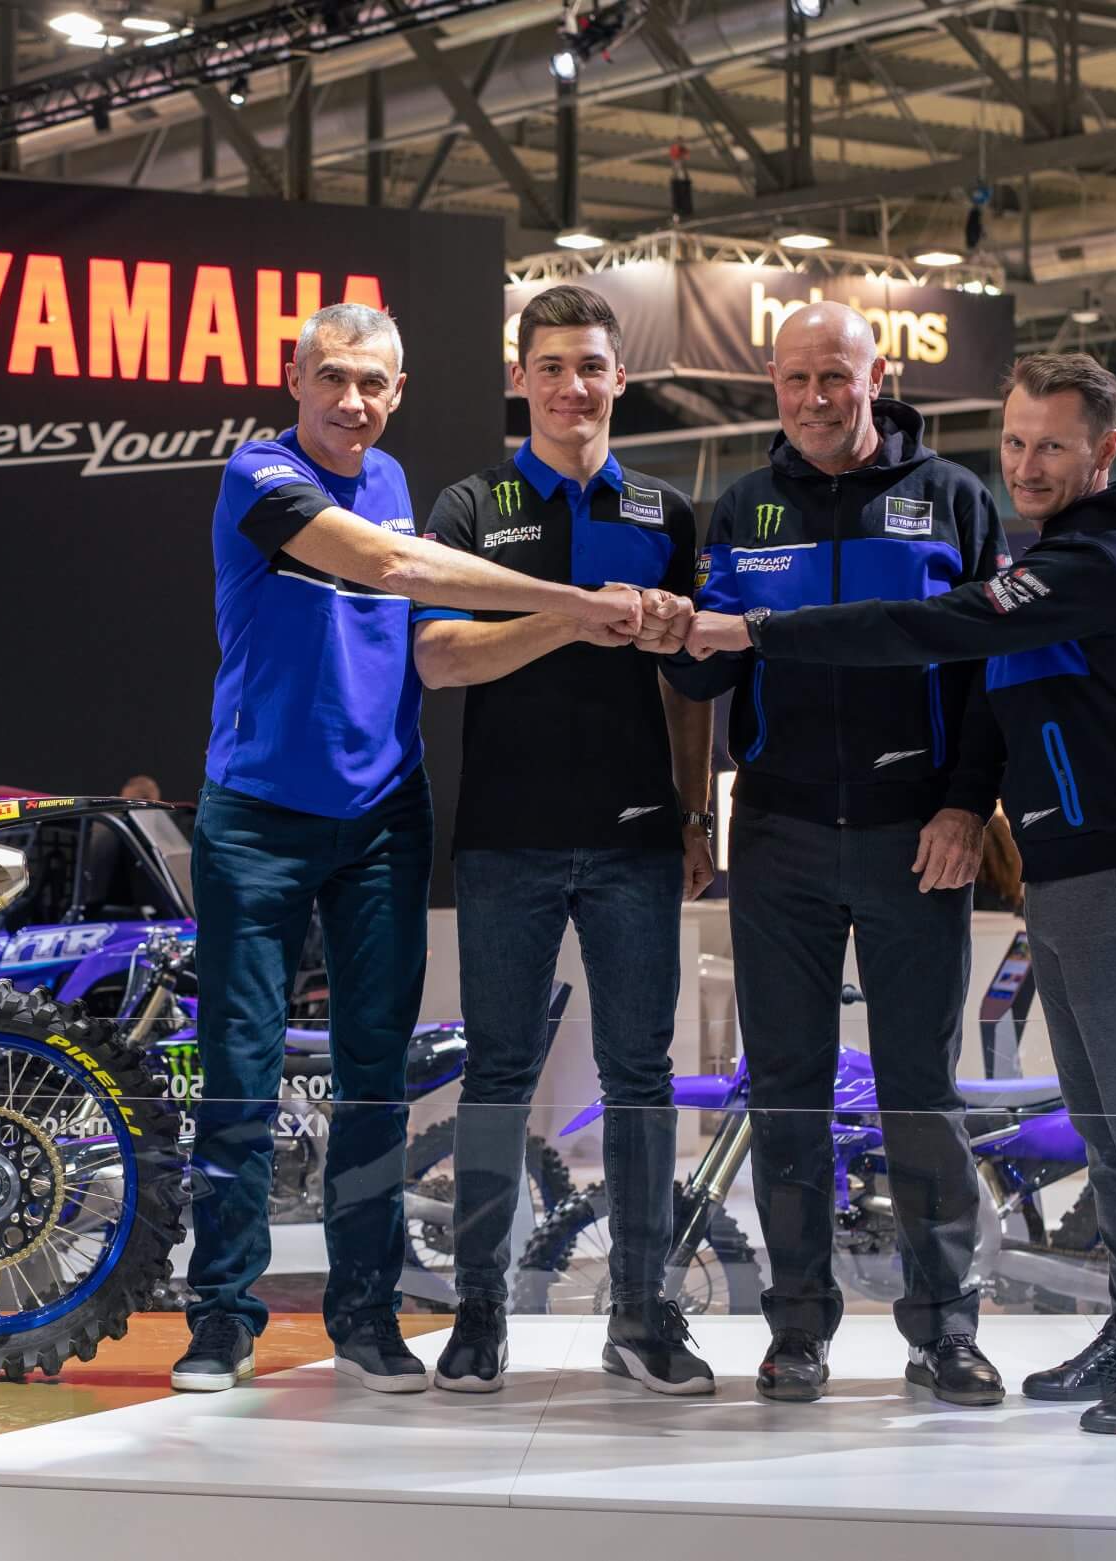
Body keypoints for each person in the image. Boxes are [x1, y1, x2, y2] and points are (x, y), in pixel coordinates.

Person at [687, 351, 1116, 1434]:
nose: (1026, 465)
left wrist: (762, 630)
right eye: (1015, 441)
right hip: (1074, 875)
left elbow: (930, 629)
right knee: (1108, 1126)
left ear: (1105, 450)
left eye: (1053, 447)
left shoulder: (1100, 560)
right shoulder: (1071, 549)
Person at [171, 301, 663, 1397]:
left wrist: (569, 619)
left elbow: (431, 649)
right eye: (332, 377)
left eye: (373, 384)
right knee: (241, 1071)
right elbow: (392, 566)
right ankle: (219, 1321)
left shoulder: (392, 476)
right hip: (256, 817)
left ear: (398, 392)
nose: (352, 401)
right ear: (293, 379)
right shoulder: (258, 475)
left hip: (386, 817)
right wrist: (574, 601)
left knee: (374, 1080)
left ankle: (365, 1316)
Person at [661, 301, 1009, 1409]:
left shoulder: (951, 499)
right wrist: (676, 633)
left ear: (877, 376)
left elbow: (992, 673)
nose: (815, 399)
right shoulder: (742, 507)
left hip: (919, 837)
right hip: (780, 836)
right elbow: (708, 675)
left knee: (921, 1092)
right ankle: (797, 1329)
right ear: (772, 384)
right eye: (795, 379)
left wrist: (966, 807)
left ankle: (945, 1330)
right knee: (787, 1094)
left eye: (835, 377)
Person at [410, 284, 713, 1396]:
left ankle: (640, 1312)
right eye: (551, 366)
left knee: (641, 1076)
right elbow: (440, 657)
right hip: (506, 837)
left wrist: (694, 811)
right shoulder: (469, 505)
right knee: (498, 1073)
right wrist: (575, 614)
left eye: (590, 366)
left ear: (618, 378)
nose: (571, 386)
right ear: (519, 378)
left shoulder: (668, 515)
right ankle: (479, 1311)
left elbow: (690, 686)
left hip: (638, 839)